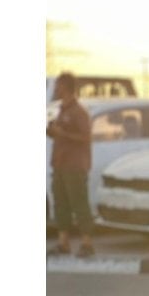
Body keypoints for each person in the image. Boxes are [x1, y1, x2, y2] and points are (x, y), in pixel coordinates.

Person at [46, 72, 96, 257]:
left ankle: (87, 244)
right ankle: (63, 243)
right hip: (60, 164)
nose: (56, 89)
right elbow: (59, 133)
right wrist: (51, 131)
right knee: (61, 205)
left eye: (58, 85)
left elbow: (85, 137)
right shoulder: (61, 110)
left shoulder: (79, 112)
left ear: (66, 87)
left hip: (75, 166)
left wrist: (62, 134)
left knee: (79, 204)